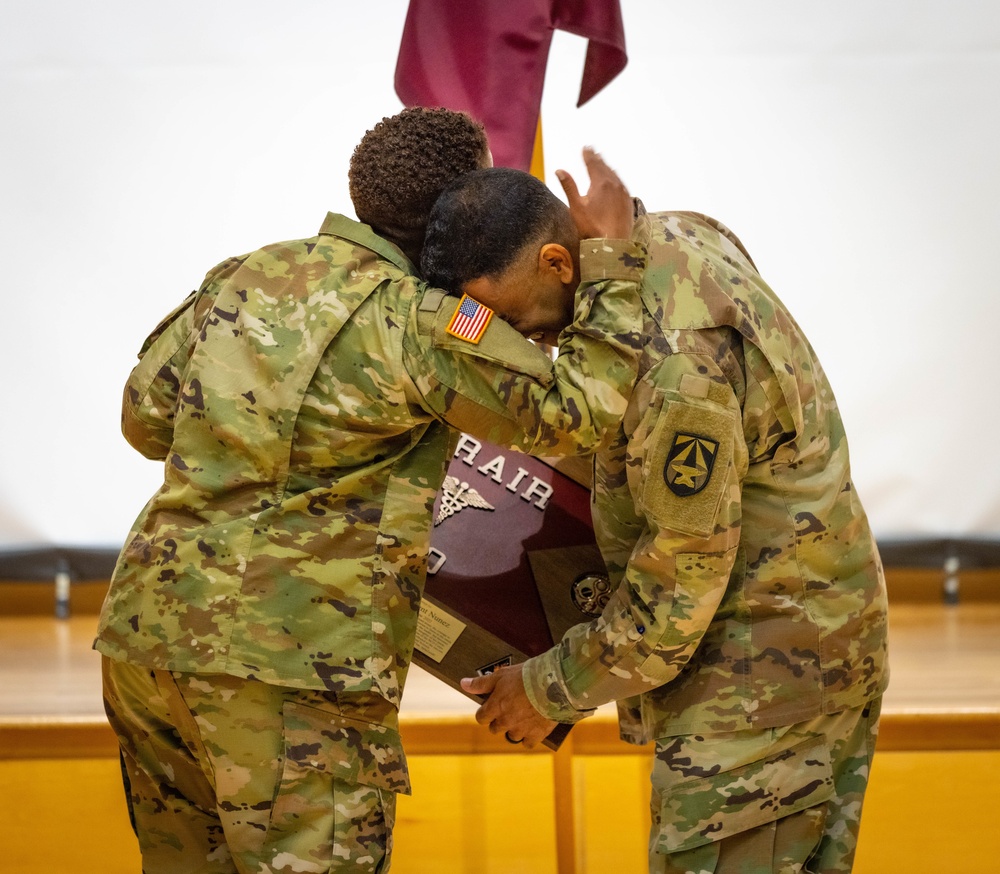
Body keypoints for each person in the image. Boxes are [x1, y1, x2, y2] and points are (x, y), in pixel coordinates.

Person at [95, 107, 646, 874]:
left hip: (147, 638)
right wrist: (613, 261)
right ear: (458, 219)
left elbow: (145, 419)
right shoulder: (420, 324)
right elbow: (580, 414)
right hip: (290, 662)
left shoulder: (245, 274)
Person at [423, 167, 890, 874]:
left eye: (515, 319)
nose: (522, 342)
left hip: (760, 691)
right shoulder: (672, 236)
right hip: (803, 651)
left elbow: (675, 599)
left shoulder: (672, 369)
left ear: (557, 262)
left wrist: (547, 690)